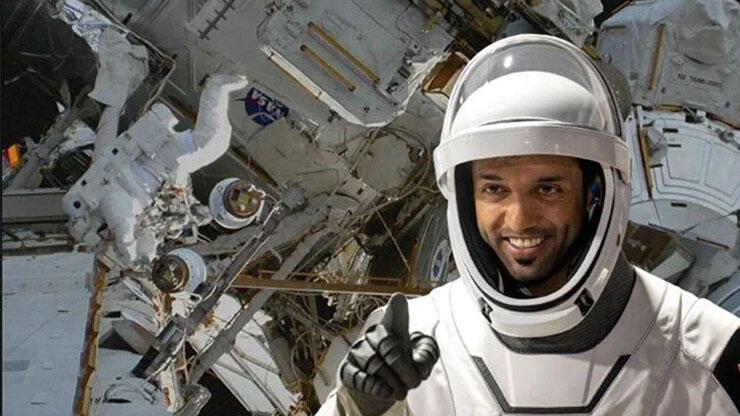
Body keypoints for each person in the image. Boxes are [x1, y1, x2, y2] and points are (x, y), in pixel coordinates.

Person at [316, 34, 740, 416]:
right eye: (495, 189)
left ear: (596, 195)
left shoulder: (710, 353)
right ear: (464, 199)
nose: (519, 219)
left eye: (547, 189)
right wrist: (359, 407)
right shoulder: (413, 348)